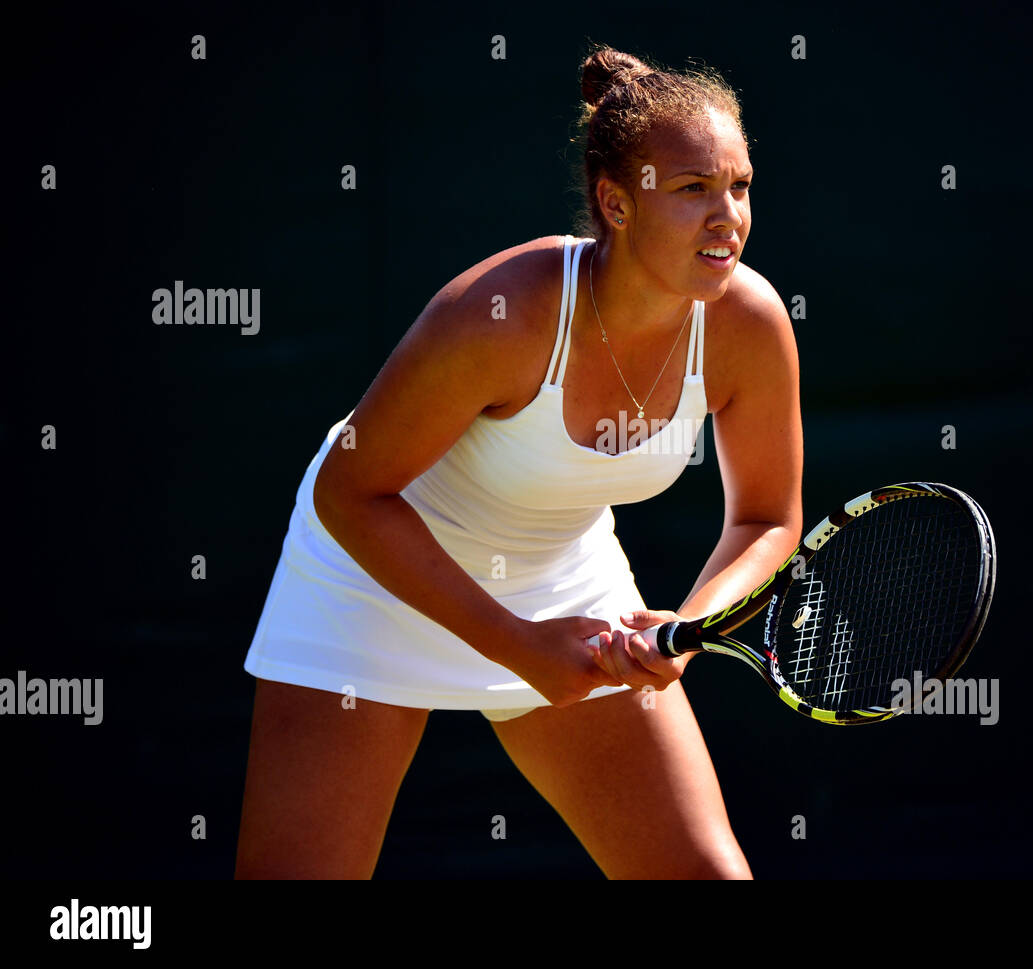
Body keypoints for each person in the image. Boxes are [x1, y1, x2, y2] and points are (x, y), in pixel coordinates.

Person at [234, 45, 801, 879]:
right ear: (616, 204)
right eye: (693, 190)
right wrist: (512, 643)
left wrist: (685, 629)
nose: (730, 218)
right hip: (374, 571)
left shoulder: (749, 324)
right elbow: (347, 492)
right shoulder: (504, 312)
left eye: (740, 185)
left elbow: (767, 518)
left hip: (561, 576)